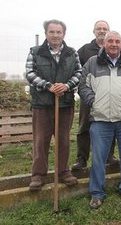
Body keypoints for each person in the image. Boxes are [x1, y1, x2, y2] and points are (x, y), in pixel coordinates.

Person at [79, 31, 121, 210]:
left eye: (117, 41)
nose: (114, 44)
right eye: (110, 41)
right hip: (100, 120)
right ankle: (97, 194)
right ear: (104, 43)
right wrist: (93, 101)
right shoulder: (92, 63)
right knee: (98, 159)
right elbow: (82, 86)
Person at [25, 19, 81, 191]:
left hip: (64, 103)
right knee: (41, 140)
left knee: (63, 140)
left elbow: (79, 72)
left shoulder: (72, 53)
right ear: (46, 34)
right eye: (52, 32)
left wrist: (66, 86)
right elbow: (29, 73)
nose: (55, 35)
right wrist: (49, 86)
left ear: (64, 34)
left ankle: (63, 171)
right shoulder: (35, 52)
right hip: (42, 104)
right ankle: (38, 175)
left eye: (59, 32)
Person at [72, 20, 118, 170]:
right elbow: (77, 74)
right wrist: (85, 93)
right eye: (99, 29)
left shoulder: (115, 50)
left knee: (110, 125)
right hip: (89, 98)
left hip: (109, 98)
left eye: (105, 29)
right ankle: (82, 158)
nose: (102, 31)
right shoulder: (84, 51)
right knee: (85, 127)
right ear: (94, 31)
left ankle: (109, 156)